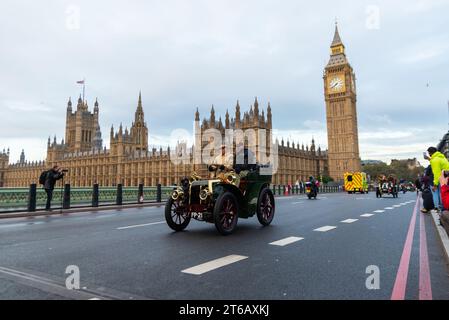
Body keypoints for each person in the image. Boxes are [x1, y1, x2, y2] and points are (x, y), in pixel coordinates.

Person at [427, 147, 449, 212]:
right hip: (447, 178)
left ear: (430, 153)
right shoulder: (442, 157)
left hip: (443, 179)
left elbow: (437, 174)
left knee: (441, 195)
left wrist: (435, 185)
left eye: (428, 153)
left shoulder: (434, 160)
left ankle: (441, 210)